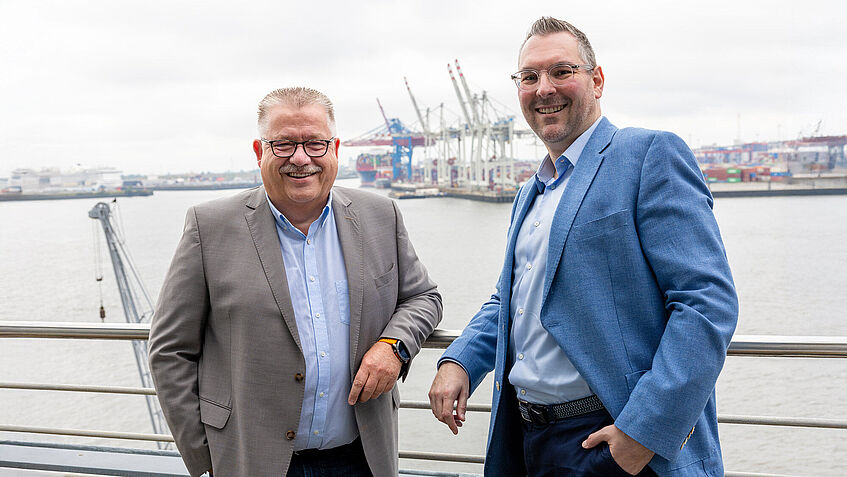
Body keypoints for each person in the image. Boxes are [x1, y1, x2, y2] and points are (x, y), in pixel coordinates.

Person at [429, 17, 738, 477]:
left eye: (561, 71)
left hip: (612, 437)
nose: (544, 88)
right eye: (529, 77)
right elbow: (511, 300)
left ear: (597, 80)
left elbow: (705, 303)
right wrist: (460, 360)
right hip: (529, 439)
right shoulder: (531, 191)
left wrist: (643, 433)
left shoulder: (648, 155)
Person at [149, 87, 442, 477]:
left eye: (315, 144)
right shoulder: (210, 227)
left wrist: (393, 347)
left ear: (335, 147)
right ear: (259, 151)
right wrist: (207, 457)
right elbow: (170, 350)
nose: (301, 158)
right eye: (284, 144)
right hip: (252, 462)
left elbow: (424, 297)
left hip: (362, 457)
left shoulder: (380, 215)